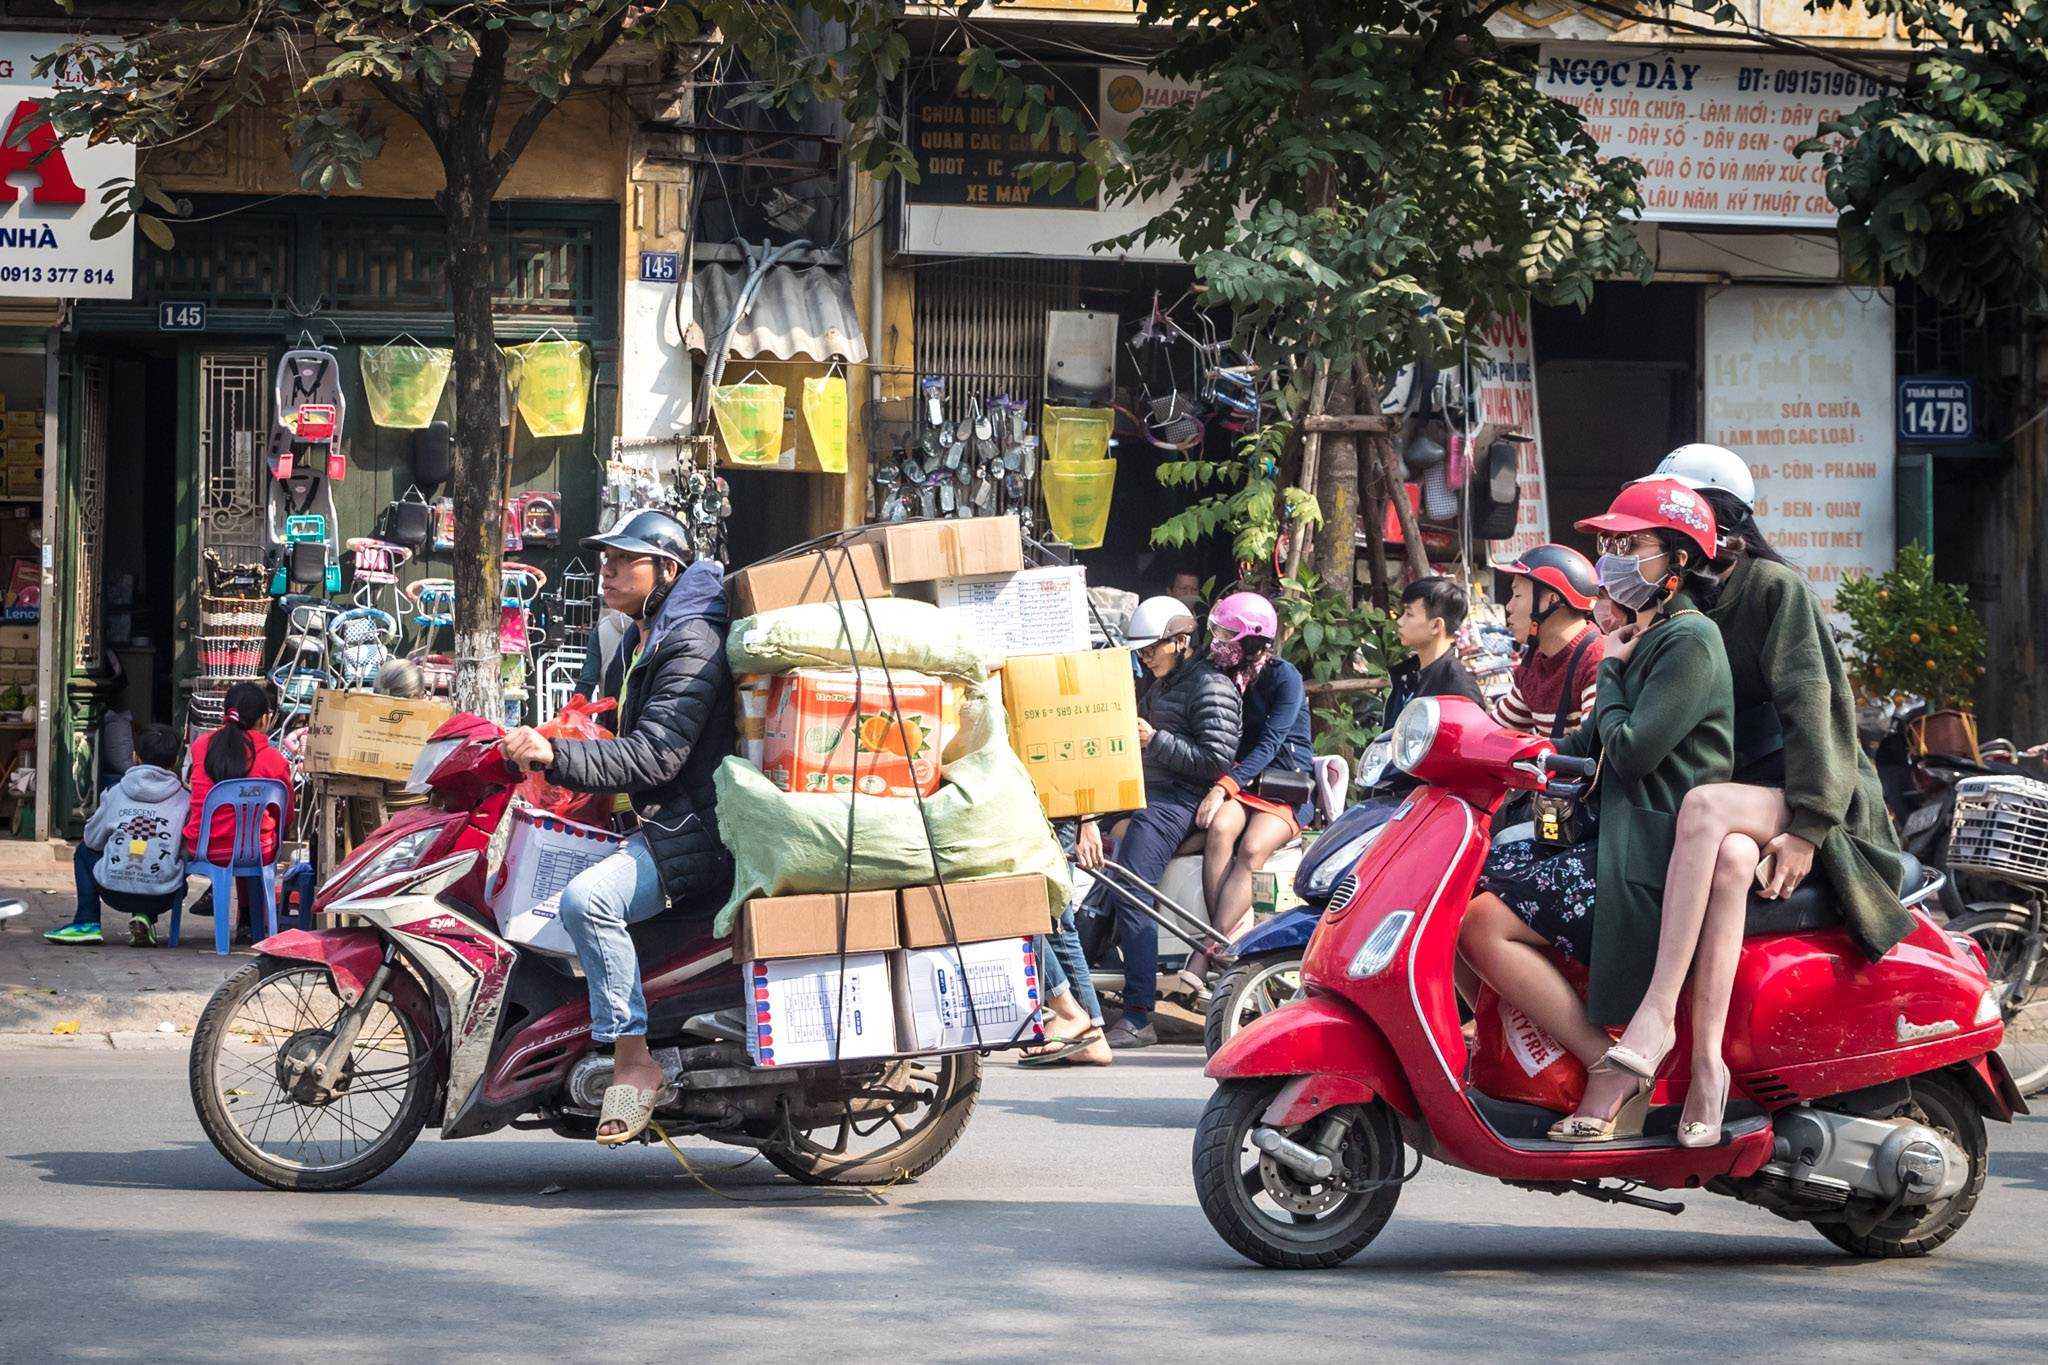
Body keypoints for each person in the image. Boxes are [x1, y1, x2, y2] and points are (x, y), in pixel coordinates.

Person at [1591, 444, 1910, 1146]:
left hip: (1809, 793)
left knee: (1706, 810)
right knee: (1731, 858)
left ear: (1714, 520)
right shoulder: (1681, 604)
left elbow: (1814, 705)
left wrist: (1809, 826)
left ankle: (1654, 1015)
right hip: (1742, 804)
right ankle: (1707, 1065)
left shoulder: (1770, 588)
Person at [1457, 479, 1734, 1143]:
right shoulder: (1648, 636)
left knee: (1479, 925)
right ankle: (1528, 1060)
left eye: (1629, 544)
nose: (1611, 558)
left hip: (1646, 856)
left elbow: (1633, 751)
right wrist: (1483, 756)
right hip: (1611, 841)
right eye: (1608, 543)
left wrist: (1609, 668)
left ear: (1678, 560)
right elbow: (1576, 749)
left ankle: (1603, 1065)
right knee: (1456, 895)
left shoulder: (1688, 643)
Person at [500, 510, 733, 1146]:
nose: (605, 571)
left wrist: (558, 756)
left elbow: (657, 754)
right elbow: (604, 725)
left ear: (666, 570)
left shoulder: (692, 642)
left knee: (587, 901)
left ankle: (632, 1058)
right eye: (605, 559)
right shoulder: (637, 638)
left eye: (620, 561)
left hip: (694, 825)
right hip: (653, 817)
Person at [1077, 594, 1241, 1050]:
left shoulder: (1210, 686)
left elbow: (1216, 760)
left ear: (1182, 641)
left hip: (1176, 800)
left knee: (1133, 890)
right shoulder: (1158, 681)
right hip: (1142, 791)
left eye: (1153, 648)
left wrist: (1157, 740)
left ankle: (1137, 1015)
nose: (1145, 657)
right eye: (1142, 650)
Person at [1185, 591, 1313, 992]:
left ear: (1252, 640)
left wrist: (1223, 787)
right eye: (1217, 632)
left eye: (1227, 634)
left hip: (1283, 784)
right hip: (1244, 781)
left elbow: (1271, 742)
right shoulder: (1223, 674)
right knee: (1221, 829)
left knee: (1253, 847)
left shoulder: (1284, 676)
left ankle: (1205, 948)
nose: (1217, 642)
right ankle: (1222, 939)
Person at [49, 725, 188, 946]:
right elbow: (189, 848)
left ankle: (87, 922)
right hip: (163, 895)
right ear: (175, 761)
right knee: (174, 859)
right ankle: (145, 915)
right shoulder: (186, 799)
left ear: (135, 757)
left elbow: (93, 839)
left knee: (84, 851)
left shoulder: (114, 792)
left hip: (113, 892)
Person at [184, 682, 294, 946]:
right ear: (264, 718)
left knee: (237, 838)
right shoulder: (275, 760)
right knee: (252, 838)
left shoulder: (200, 746)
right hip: (257, 852)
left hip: (204, 846)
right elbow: (286, 815)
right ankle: (249, 922)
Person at [1021, 819, 1113, 1068]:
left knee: (1023, 910)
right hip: (1044, 812)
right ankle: (1090, 1036)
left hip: (1044, 814)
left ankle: (1069, 1014)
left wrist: (1088, 819)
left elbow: (1075, 778)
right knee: (1055, 924)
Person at [1493, 545, 1604, 737]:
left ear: (1551, 601)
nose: (1509, 606)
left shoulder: (1597, 660)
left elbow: (1590, 744)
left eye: (1517, 595)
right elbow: (1496, 732)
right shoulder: (1535, 662)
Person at [1382, 576, 1486, 723]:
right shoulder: (1409, 675)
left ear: (1436, 626)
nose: (1399, 621)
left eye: (1409, 614)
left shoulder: (1459, 690)